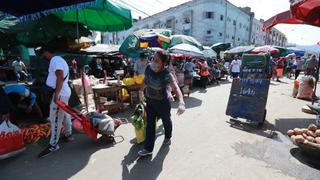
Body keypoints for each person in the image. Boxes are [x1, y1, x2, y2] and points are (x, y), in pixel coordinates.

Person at [138, 51, 185, 157]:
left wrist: (181, 102)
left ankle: (168, 136)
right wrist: (141, 91)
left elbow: (175, 88)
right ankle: (148, 148)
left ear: (163, 63)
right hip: (150, 101)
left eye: (156, 60)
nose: (153, 61)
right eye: (153, 58)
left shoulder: (166, 74)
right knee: (150, 125)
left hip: (162, 103)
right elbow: (146, 80)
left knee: (166, 121)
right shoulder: (149, 68)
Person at [37, 46, 73, 158]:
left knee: (55, 119)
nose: (43, 56)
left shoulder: (55, 60)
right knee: (65, 114)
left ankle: (53, 145)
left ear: (47, 52)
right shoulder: (58, 59)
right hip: (63, 92)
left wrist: (56, 95)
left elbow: (60, 77)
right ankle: (68, 134)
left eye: (43, 54)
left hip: (60, 93)